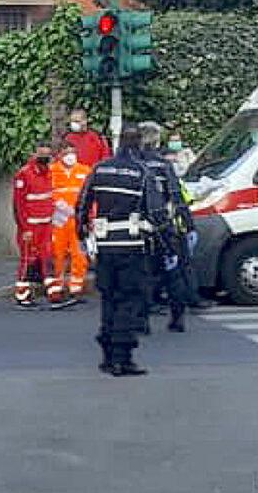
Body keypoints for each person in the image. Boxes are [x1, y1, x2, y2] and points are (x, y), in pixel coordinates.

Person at [76, 125, 160, 376]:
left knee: (109, 299)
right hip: (131, 247)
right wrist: (162, 239)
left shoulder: (100, 168)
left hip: (105, 247)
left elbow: (82, 204)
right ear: (139, 145)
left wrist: (82, 234)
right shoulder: (142, 172)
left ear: (118, 142)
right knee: (128, 300)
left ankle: (106, 357)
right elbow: (155, 212)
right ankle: (123, 359)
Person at [136, 122, 200, 331]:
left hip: (141, 227)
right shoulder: (163, 165)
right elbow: (176, 196)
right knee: (173, 273)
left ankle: (143, 321)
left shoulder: (135, 164)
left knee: (144, 275)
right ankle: (177, 318)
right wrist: (189, 226)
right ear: (156, 141)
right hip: (166, 226)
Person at [8, 143, 59, 309]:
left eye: (48, 155)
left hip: (46, 224)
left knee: (48, 258)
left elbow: (49, 198)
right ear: (34, 154)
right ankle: (22, 296)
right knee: (28, 260)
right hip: (30, 227)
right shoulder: (24, 174)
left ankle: (54, 294)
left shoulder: (48, 173)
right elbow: (19, 205)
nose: (46, 159)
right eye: (42, 154)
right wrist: (25, 229)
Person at [47, 138, 93, 309]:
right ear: (59, 155)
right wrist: (56, 206)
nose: (70, 157)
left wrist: (91, 218)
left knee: (79, 255)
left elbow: (91, 197)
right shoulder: (52, 172)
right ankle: (56, 289)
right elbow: (46, 194)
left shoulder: (85, 171)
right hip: (58, 220)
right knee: (57, 254)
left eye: (73, 153)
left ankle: (76, 289)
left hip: (78, 220)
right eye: (66, 154)